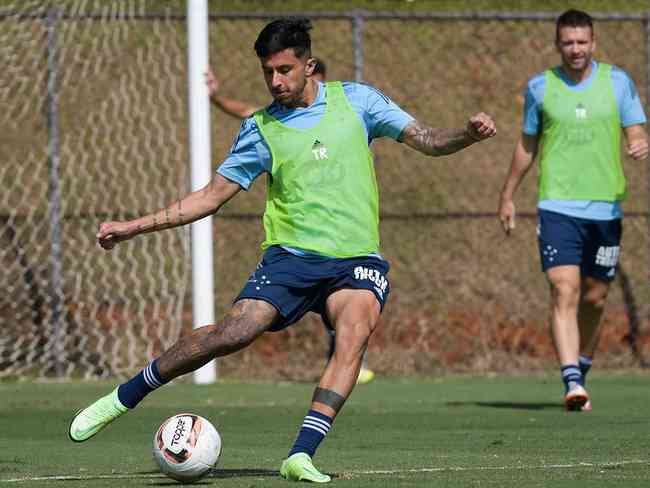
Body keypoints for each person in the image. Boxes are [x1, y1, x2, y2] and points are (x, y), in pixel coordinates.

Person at [69, 18, 496, 482]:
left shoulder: (358, 101)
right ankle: (124, 396)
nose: (276, 81)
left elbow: (429, 140)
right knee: (233, 333)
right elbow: (210, 196)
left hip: (355, 260)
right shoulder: (260, 128)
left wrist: (468, 134)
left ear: (308, 65)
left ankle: (300, 455)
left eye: (285, 70)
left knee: (354, 332)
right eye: (268, 72)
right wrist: (133, 227)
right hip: (290, 258)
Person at [498, 9, 647, 412]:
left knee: (596, 298)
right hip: (557, 206)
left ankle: (581, 365)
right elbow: (527, 145)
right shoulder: (541, 87)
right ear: (557, 44)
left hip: (606, 208)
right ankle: (571, 380)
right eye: (568, 42)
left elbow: (635, 130)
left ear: (593, 43)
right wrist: (508, 194)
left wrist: (639, 142)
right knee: (565, 287)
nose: (576, 49)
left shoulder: (618, 82)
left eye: (582, 42)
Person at [205, 59, 377, 385]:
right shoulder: (280, 119)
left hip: (347, 231)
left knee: (351, 302)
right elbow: (247, 111)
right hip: (302, 239)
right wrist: (216, 97)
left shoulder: (345, 114)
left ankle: (346, 360)